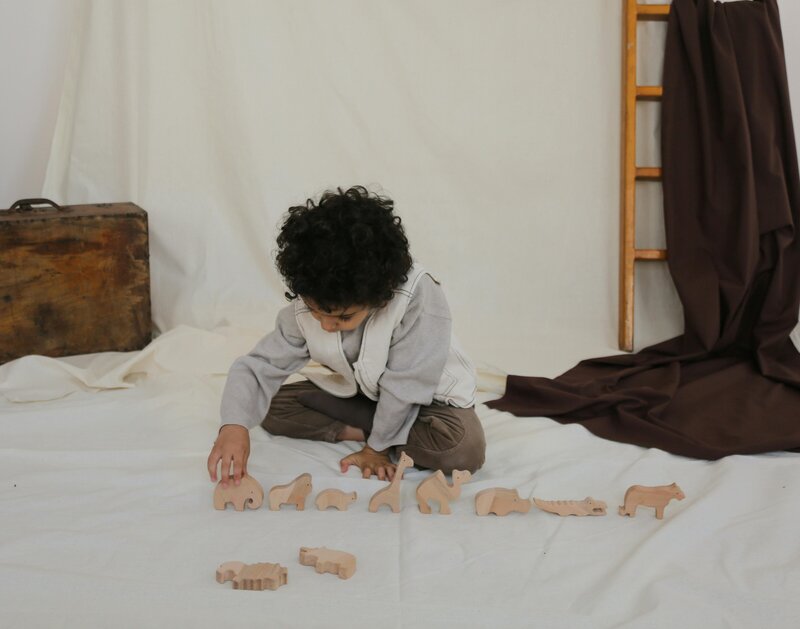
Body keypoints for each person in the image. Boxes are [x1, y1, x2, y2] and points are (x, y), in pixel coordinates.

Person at [207, 186, 485, 488]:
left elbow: (408, 385)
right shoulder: (307, 306)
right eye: (316, 313)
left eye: (343, 318)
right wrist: (233, 426)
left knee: (462, 450)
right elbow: (257, 368)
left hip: (429, 401)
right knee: (270, 408)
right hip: (369, 395)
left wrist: (376, 450)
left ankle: (382, 434)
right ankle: (383, 429)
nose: (326, 326)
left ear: (381, 295)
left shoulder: (417, 299)